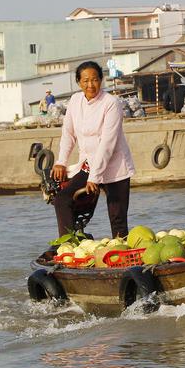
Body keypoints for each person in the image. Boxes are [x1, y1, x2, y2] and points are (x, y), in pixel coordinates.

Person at [50, 61, 135, 238]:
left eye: (95, 80)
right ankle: (68, 245)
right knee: (62, 200)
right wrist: (61, 162)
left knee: (118, 221)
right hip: (88, 164)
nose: (91, 85)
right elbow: (68, 134)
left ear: (101, 80)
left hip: (115, 166)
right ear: (79, 82)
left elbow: (107, 143)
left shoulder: (111, 103)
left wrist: (95, 178)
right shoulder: (75, 101)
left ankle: (121, 251)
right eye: (86, 81)